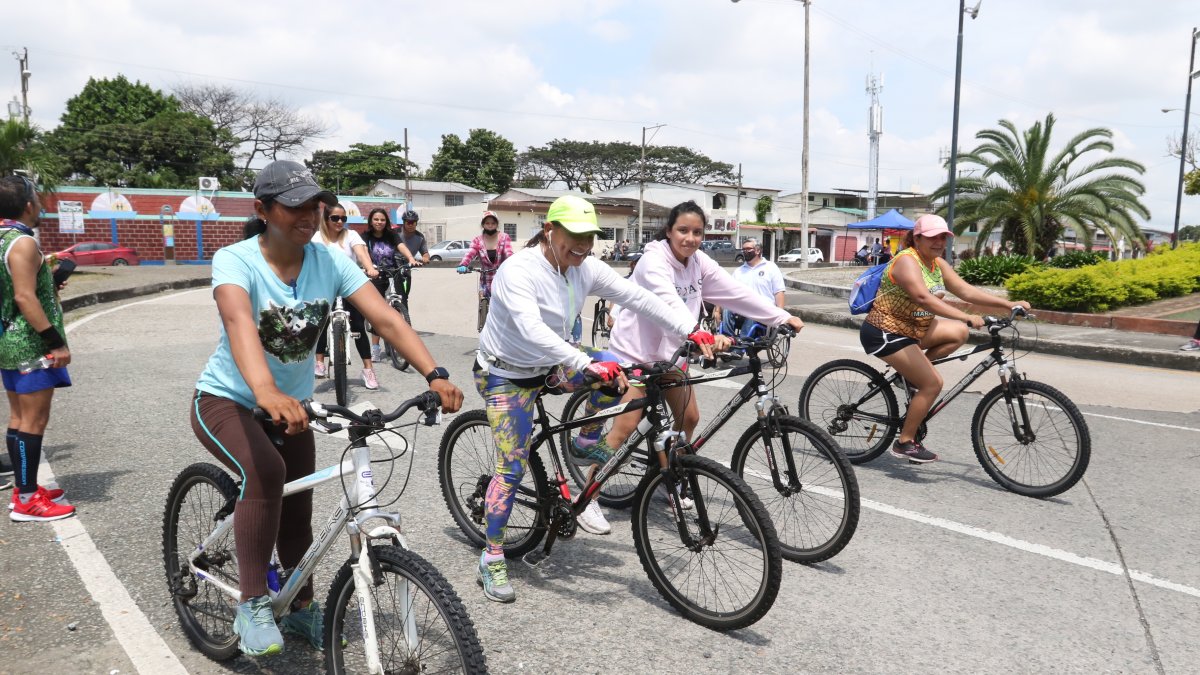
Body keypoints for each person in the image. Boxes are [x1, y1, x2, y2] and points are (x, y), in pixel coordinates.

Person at [189, 160, 463, 656]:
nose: (309, 215)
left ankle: (300, 609)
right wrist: (266, 391)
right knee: (266, 473)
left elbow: (384, 317)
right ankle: (252, 602)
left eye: (314, 205)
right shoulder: (236, 260)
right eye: (294, 206)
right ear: (262, 210)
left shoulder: (329, 261)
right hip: (226, 400)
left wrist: (434, 372)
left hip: (292, 408)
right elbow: (238, 323)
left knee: (298, 513)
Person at [472, 195, 709, 604]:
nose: (584, 245)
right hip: (505, 374)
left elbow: (640, 298)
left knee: (615, 368)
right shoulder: (519, 271)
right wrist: (582, 362)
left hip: (552, 363)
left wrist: (691, 329)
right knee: (511, 468)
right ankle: (491, 555)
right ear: (550, 230)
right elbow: (530, 329)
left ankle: (584, 441)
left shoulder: (583, 267)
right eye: (575, 237)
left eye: (590, 237)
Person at [582, 202, 805, 511]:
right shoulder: (652, 262)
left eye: (697, 232)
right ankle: (589, 497)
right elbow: (667, 302)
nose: (690, 238)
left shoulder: (699, 262)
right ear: (669, 231)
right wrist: (699, 334)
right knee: (624, 429)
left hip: (673, 352)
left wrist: (778, 316)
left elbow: (733, 292)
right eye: (683, 231)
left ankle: (669, 479)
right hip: (637, 354)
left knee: (688, 418)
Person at [860, 214, 1030, 463]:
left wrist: (1008, 304)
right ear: (916, 238)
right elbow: (923, 299)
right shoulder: (906, 261)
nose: (939, 242)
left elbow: (965, 290)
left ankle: (912, 375)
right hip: (887, 331)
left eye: (943, 237)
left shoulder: (936, 264)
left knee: (959, 333)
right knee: (933, 384)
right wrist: (966, 316)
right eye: (932, 237)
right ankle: (904, 442)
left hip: (915, 328)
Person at [0, 175, 74, 522]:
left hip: (9, 341)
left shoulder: (3, 239)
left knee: (18, 419)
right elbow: (23, 296)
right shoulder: (23, 243)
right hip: (30, 345)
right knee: (34, 421)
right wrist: (54, 342)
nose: (42, 205)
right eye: (39, 199)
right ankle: (28, 499)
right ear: (28, 204)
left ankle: (22, 489)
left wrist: (51, 282)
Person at [311, 204, 382, 390]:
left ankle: (368, 369)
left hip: (348, 286)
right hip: (325, 284)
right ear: (326, 219)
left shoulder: (351, 235)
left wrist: (369, 267)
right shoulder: (318, 237)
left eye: (343, 218)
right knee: (322, 321)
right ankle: (319, 362)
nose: (340, 222)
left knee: (358, 326)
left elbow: (361, 252)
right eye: (335, 218)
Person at [362, 208, 418, 360]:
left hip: (393, 272)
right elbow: (364, 252)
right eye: (376, 219)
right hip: (376, 274)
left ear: (386, 221)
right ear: (371, 221)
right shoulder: (366, 236)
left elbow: (401, 246)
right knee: (377, 313)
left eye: (382, 220)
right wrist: (369, 268)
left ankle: (402, 343)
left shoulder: (391, 235)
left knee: (398, 307)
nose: (379, 222)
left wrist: (411, 258)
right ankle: (375, 348)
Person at [715, 237, 785, 345]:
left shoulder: (771, 268)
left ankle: (742, 345)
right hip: (742, 310)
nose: (745, 252)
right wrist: (717, 310)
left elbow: (779, 291)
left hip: (762, 311)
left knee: (752, 309)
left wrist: (780, 315)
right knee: (728, 309)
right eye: (743, 249)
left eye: (748, 249)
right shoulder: (739, 271)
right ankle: (728, 342)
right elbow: (727, 291)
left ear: (757, 250)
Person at [456, 211, 514, 320]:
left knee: (503, 307)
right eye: (487, 223)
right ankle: (483, 323)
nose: (490, 225)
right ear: (483, 224)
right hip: (485, 279)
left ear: (497, 224)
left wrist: (514, 265)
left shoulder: (504, 237)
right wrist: (463, 264)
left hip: (502, 277)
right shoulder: (478, 240)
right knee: (483, 302)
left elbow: (508, 253)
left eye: (493, 223)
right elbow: (470, 253)